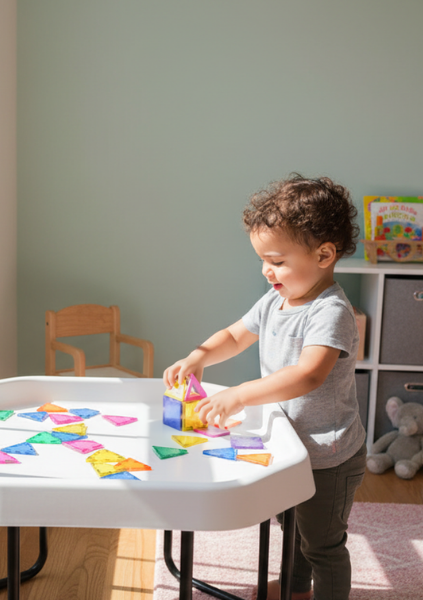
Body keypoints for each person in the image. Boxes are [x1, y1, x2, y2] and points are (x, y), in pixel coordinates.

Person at [163, 174, 366, 600]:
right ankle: (295, 588)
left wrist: (239, 393)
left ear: (325, 254)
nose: (265, 270)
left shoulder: (331, 312)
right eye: (262, 259)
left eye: (276, 260)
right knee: (291, 527)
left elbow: (308, 374)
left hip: (327, 454)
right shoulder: (274, 300)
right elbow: (236, 335)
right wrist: (199, 356)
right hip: (291, 445)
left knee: (323, 543)